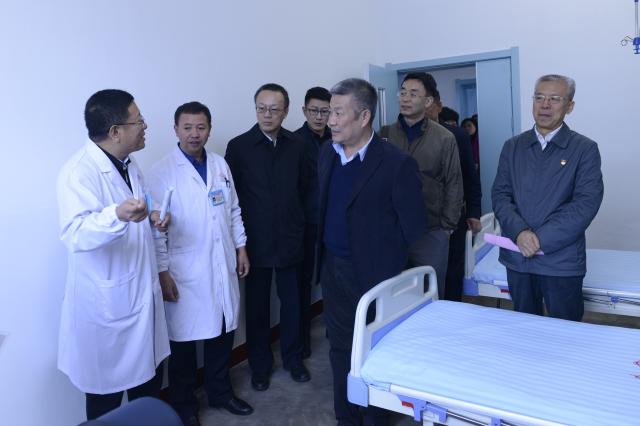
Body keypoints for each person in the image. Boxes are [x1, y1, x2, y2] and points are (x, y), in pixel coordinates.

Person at [56, 89, 170, 420]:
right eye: (139, 121)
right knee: (106, 404)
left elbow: (138, 210)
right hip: (107, 310)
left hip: (140, 298)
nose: (145, 126)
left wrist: (151, 216)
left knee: (147, 392)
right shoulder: (78, 172)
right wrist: (116, 215)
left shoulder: (129, 165)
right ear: (115, 131)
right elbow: (75, 233)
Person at [319, 78, 426, 425]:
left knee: (377, 349)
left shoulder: (396, 163)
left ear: (364, 117)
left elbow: (414, 226)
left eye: (338, 113)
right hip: (334, 269)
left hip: (375, 275)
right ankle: (346, 417)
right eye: (330, 113)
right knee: (339, 347)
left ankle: (376, 417)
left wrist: (382, 257)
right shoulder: (327, 154)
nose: (331, 121)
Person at [148, 102, 253, 425]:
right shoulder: (161, 172)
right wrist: (163, 271)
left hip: (222, 262)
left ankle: (220, 393)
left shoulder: (220, 164)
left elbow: (233, 209)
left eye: (201, 127)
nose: (194, 134)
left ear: (209, 129)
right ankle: (184, 405)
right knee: (184, 343)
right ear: (175, 129)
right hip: (184, 270)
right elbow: (156, 229)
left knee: (222, 332)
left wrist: (241, 247)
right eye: (187, 127)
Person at [492, 74, 604, 321]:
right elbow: (500, 195)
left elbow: (585, 204)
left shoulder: (584, 149)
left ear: (569, 106)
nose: (545, 105)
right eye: (539, 97)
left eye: (554, 99)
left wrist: (539, 240)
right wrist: (520, 233)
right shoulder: (513, 147)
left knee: (565, 330)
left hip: (561, 262)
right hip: (518, 258)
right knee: (524, 325)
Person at [225, 83, 311, 392]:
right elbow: (232, 198)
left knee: (293, 303)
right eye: (261, 108)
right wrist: (239, 244)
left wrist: (299, 224)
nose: (267, 114)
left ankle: (293, 358)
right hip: (255, 243)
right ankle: (259, 366)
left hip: (290, 238)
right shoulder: (239, 147)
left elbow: (305, 189)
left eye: (274, 109)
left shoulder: (298, 145)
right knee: (257, 308)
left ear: (285, 111)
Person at [380, 72, 463, 299]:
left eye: (413, 94)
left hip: (431, 230)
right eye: (403, 92)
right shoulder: (385, 134)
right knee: (395, 295)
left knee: (431, 293)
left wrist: (447, 226)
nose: (405, 98)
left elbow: (453, 182)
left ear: (428, 101)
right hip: (393, 230)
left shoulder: (444, 138)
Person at [426, 94, 482, 302]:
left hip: (452, 216)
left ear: (438, 106)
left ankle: (451, 309)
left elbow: (470, 175)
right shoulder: (396, 135)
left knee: (452, 271)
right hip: (420, 219)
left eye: (428, 102)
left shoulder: (456, 135)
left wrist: (474, 211)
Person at [294, 86, 332, 359]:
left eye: (324, 111)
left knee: (334, 280)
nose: (319, 117)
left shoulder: (338, 138)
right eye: (314, 111)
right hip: (304, 225)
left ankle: (336, 331)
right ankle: (302, 342)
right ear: (304, 111)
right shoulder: (294, 143)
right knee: (302, 285)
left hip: (333, 222)